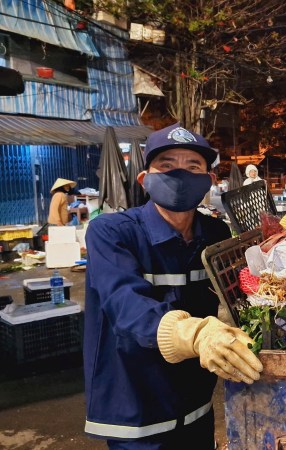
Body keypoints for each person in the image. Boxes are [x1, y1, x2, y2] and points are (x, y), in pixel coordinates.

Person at [83, 124, 263, 450]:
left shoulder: (215, 234)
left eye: (193, 166)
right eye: (167, 165)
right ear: (144, 179)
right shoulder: (111, 232)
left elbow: (241, 292)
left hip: (196, 408)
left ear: (209, 182)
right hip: (137, 416)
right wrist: (194, 334)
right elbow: (125, 305)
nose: (181, 173)